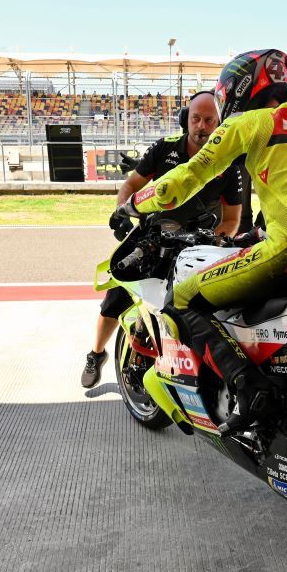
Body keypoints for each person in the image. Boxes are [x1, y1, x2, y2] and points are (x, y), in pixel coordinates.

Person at [113, 49, 287, 434]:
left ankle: (249, 389)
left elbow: (187, 177)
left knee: (181, 299)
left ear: (239, 89)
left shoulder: (251, 122)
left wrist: (134, 204)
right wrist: (254, 234)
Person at [81, 91, 242, 388]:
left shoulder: (228, 165)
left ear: (219, 124)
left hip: (195, 245)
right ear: (186, 120)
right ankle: (97, 353)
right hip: (151, 237)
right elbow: (131, 184)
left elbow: (232, 219)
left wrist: (218, 241)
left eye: (209, 120)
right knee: (114, 300)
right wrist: (123, 213)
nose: (201, 126)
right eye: (196, 118)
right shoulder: (164, 148)